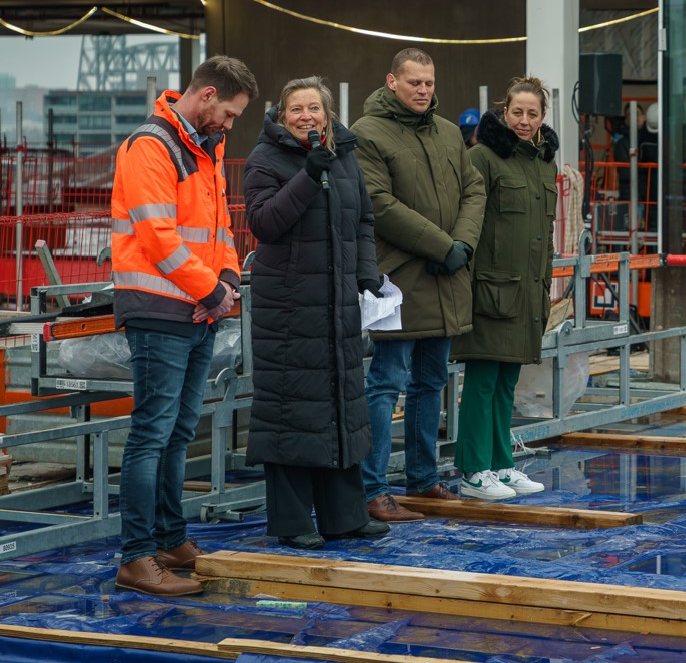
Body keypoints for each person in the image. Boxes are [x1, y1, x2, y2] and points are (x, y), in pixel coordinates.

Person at [110, 56, 257, 596]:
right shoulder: (152, 146)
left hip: (194, 307)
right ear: (207, 94)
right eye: (230, 112)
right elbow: (157, 234)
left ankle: (170, 539)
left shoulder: (204, 148)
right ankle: (136, 556)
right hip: (158, 309)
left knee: (176, 431)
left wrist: (225, 280)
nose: (230, 123)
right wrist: (211, 291)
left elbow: (219, 227)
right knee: (152, 433)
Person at [242, 77, 389, 549]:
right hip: (287, 306)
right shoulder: (266, 159)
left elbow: (363, 219)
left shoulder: (345, 156)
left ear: (327, 114)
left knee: (341, 403)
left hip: (337, 300)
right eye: (296, 109)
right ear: (281, 116)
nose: (306, 116)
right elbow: (264, 223)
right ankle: (293, 522)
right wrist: (307, 176)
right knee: (292, 410)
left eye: (314, 108)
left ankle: (344, 516)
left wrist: (366, 274)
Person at [352, 48, 486, 521]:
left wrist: (463, 244)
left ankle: (423, 481)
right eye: (414, 82)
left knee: (432, 382)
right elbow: (379, 203)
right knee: (386, 383)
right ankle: (372, 489)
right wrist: (440, 246)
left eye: (429, 82)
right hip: (402, 282)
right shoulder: (367, 134)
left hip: (447, 276)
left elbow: (474, 189)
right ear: (392, 81)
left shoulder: (449, 132)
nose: (424, 90)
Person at [452, 77, 558, 500]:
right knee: (481, 379)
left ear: (542, 117)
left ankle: (501, 464)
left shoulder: (543, 163)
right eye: (517, 112)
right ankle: (473, 470)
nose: (524, 121)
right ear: (504, 111)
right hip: (489, 290)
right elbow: (468, 220)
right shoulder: (482, 157)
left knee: (506, 381)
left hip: (527, 291)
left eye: (533, 114)